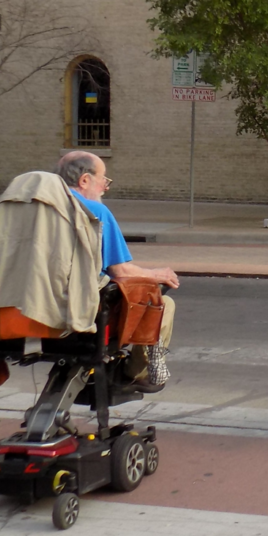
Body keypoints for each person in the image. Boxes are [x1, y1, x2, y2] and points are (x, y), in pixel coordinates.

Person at [57, 151, 179, 390]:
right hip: (79, 313)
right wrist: (157, 274)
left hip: (29, 311)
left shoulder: (33, 210)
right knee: (162, 304)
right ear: (84, 180)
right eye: (104, 179)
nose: (106, 187)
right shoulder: (94, 211)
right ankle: (134, 372)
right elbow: (120, 271)